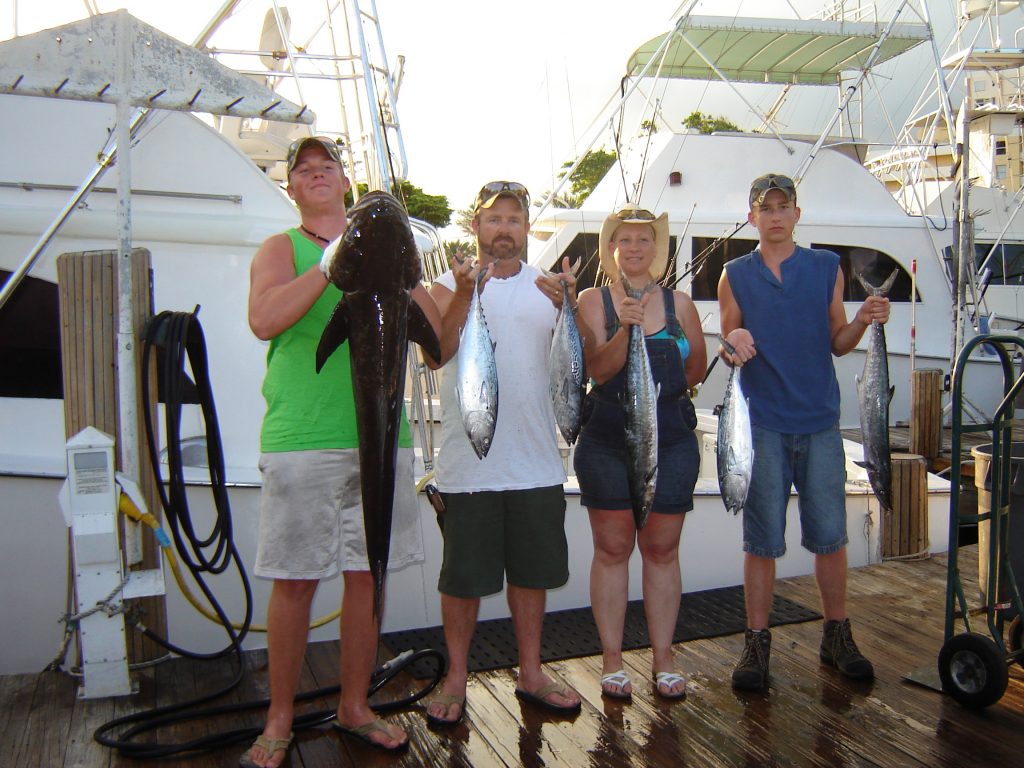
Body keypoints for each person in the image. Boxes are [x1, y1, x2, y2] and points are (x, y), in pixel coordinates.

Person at [241, 136, 441, 767]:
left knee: (367, 578)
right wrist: (330, 264)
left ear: (346, 184)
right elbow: (265, 320)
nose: (317, 174)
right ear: (292, 188)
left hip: (383, 444)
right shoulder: (283, 249)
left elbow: (440, 344)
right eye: (304, 169)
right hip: (304, 441)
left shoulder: (401, 261)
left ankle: (356, 706)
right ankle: (278, 718)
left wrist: (456, 292)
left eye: (329, 166)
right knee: (296, 580)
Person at [422, 181, 588, 726]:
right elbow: (436, 354)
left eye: (515, 219)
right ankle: (455, 676)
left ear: (525, 229)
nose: (504, 229)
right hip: (468, 466)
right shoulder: (452, 284)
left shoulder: (549, 288)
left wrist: (573, 309)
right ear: (476, 227)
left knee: (532, 576)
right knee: (462, 579)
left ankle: (531, 670)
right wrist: (467, 293)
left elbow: (576, 364)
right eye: (494, 220)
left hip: (536, 462)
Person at [718, 172, 889, 692]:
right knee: (761, 542)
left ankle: (837, 635)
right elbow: (729, 341)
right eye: (764, 208)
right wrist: (735, 336)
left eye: (782, 206)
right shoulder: (733, 274)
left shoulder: (825, 268)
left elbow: (838, 342)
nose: (774, 216)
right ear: (752, 217)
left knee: (830, 538)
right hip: (760, 425)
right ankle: (756, 643)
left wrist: (862, 320)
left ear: (796, 213)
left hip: (819, 424)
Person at [572, 205, 707, 701]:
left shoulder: (681, 304)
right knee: (612, 549)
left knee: (662, 549)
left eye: (643, 240)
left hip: (670, 437)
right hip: (608, 437)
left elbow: (695, 371)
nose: (634, 248)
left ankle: (664, 658)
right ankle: (612, 660)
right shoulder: (592, 302)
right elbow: (597, 371)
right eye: (624, 240)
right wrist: (626, 328)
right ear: (611, 249)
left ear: (657, 249)